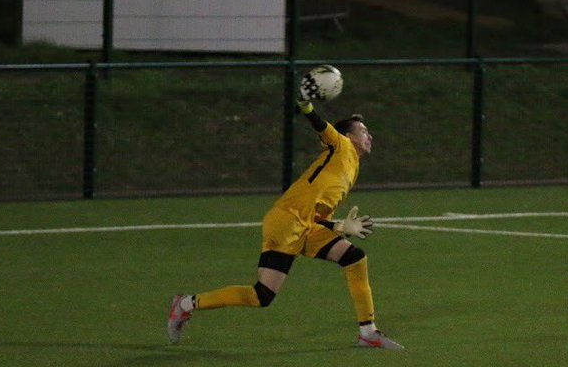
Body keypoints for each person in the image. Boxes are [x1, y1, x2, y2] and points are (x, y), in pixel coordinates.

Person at [166, 82, 402, 350]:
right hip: (287, 221)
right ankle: (185, 304)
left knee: (355, 258)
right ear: (347, 135)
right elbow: (318, 123)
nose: (369, 135)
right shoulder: (341, 146)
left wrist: (337, 226)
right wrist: (305, 104)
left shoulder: (352, 166)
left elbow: (315, 215)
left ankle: (368, 332)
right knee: (262, 295)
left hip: (306, 226)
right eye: (363, 131)